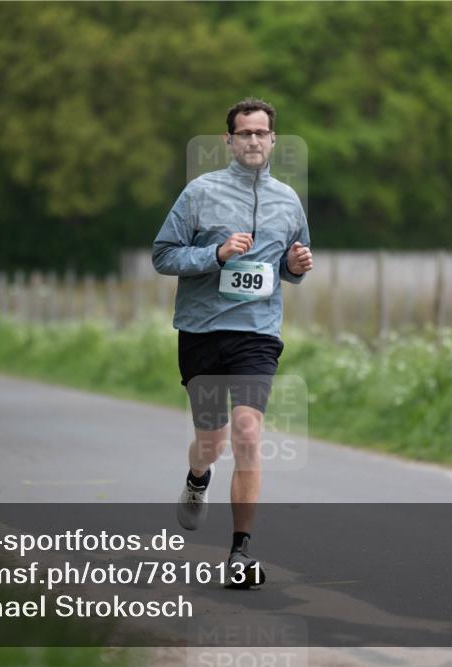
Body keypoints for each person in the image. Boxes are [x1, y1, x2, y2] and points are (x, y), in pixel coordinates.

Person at [152, 97, 313, 588]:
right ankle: (197, 478)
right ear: (229, 140)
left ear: (273, 141)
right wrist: (216, 254)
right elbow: (163, 256)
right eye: (244, 133)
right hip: (202, 330)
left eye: (261, 133)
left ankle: (240, 553)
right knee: (212, 441)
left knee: (246, 433)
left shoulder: (288, 200)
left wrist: (296, 267)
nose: (253, 141)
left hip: (258, 333)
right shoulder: (200, 192)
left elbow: (290, 266)